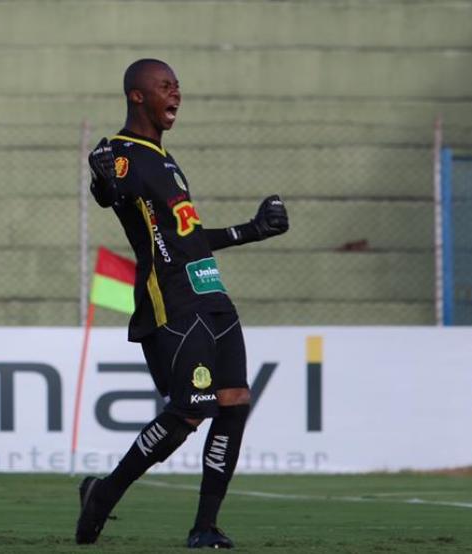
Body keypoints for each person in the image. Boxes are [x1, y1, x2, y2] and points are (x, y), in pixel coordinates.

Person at [76, 58, 289, 549]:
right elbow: (112, 193)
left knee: (234, 404)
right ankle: (103, 496)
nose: (176, 95)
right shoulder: (123, 151)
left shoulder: (166, 158)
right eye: (165, 87)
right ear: (137, 95)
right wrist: (101, 180)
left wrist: (252, 230)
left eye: (178, 87)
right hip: (171, 300)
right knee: (189, 412)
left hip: (212, 295)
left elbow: (189, 237)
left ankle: (204, 526)